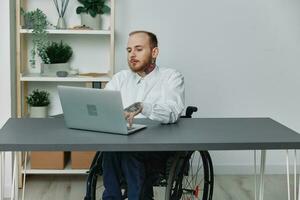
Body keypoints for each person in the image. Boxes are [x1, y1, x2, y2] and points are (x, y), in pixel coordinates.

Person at [102, 30, 185, 200]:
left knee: (129, 152)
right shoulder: (120, 78)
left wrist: (143, 107)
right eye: (129, 50)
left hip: (156, 148)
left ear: (154, 52)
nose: (132, 54)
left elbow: (173, 112)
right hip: (121, 143)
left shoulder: (171, 77)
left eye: (138, 49)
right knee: (109, 150)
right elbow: (103, 105)